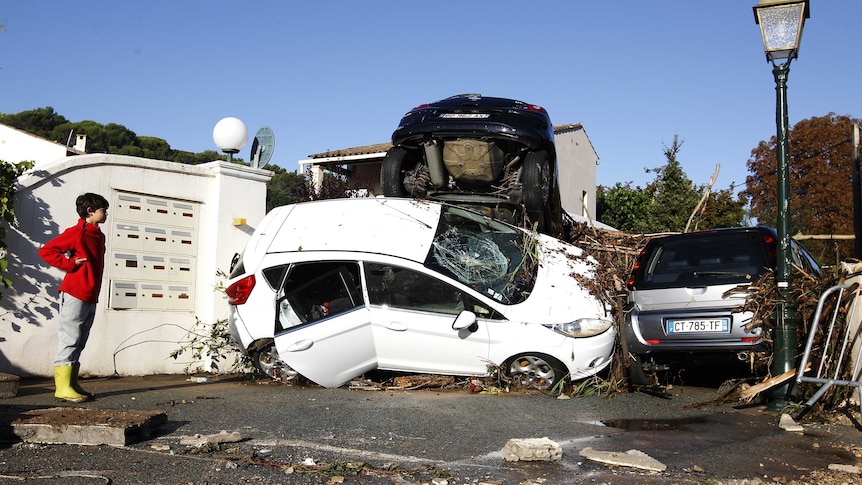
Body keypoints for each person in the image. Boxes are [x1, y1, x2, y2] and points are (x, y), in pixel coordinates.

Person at [38, 193, 109, 403]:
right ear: (90, 212)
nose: (105, 213)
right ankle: (62, 388)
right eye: (102, 210)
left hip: (90, 293)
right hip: (74, 292)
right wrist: (70, 264)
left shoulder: (99, 235)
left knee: (81, 339)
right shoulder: (76, 233)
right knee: (70, 338)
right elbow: (47, 251)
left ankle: (72, 383)